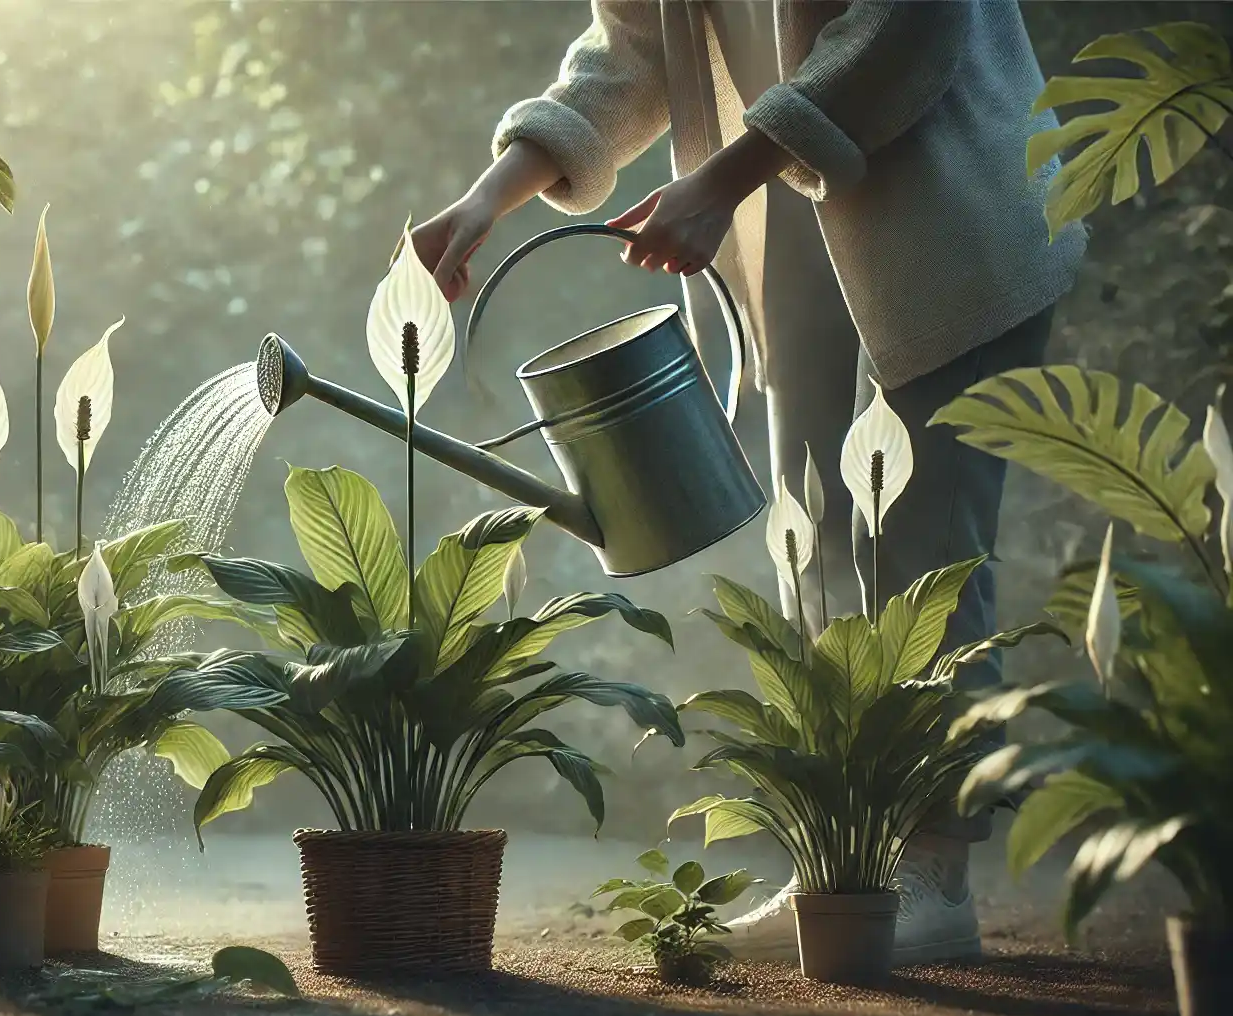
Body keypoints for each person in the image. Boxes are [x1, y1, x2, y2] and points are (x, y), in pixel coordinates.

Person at [411, 0, 1085, 964]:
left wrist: (720, 179)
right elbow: (632, 49)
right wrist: (490, 196)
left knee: (922, 550)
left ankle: (932, 875)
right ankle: (843, 867)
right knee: (811, 541)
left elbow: (909, 28)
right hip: (788, 227)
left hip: (951, 205)